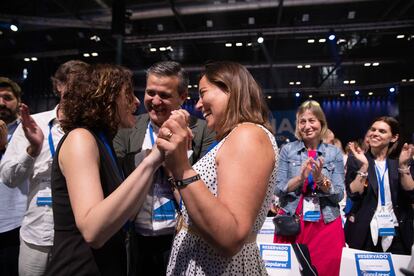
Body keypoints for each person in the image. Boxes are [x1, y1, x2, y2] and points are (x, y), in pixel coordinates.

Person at [155, 61, 278, 275]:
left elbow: (231, 236)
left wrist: (183, 168)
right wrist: (176, 167)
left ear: (229, 89)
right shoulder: (232, 138)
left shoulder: (248, 136)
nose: (198, 105)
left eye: (203, 94)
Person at [45, 64, 165, 275]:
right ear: (105, 98)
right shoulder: (81, 139)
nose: (136, 102)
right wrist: (151, 162)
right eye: (128, 94)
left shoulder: (103, 142)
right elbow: (93, 231)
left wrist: (154, 161)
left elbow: (127, 214)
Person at [113, 61, 215, 275]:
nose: (155, 101)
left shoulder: (203, 131)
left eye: (165, 95)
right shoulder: (128, 128)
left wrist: (174, 164)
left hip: (181, 236)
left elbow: (207, 190)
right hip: (135, 238)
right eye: (151, 93)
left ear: (182, 97)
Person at [0, 60, 89, 276]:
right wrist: (34, 148)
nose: (77, 90)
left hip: (79, 236)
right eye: (71, 83)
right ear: (58, 85)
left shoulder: (92, 128)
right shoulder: (34, 124)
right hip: (38, 234)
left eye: (84, 84)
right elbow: (8, 177)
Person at [274, 100, 345, 276]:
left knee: (327, 271)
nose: (307, 126)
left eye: (312, 120)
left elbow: (339, 194)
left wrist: (321, 179)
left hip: (326, 224)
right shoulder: (287, 150)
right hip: (293, 222)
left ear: (321, 123)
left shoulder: (333, 152)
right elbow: (278, 188)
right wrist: (300, 177)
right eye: (302, 121)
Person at [345, 116, 414, 254]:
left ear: (393, 138)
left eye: (382, 131)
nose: (375, 133)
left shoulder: (401, 160)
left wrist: (403, 167)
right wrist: (364, 167)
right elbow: (354, 193)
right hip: (365, 231)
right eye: (373, 129)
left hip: (397, 230)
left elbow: (411, 193)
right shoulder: (357, 160)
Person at [0, 77, 28, 276]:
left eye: (7, 98)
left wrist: (4, 147)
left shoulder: (29, 131)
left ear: (18, 101)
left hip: (14, 223)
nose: (1, 103)